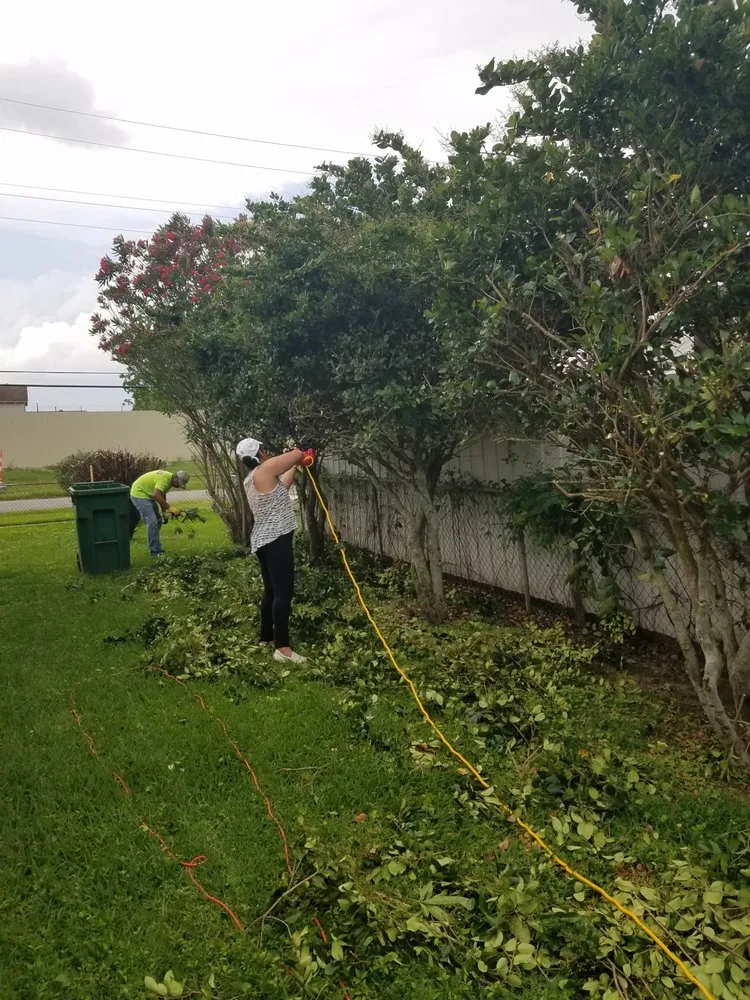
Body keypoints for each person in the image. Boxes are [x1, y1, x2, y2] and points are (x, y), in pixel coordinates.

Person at [237, 436, 314, 664]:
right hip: (276, 540)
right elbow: (296, 455)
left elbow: (284, 484)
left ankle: (266, 637)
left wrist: (297, 465)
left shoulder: (255, 477)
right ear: (260, 452)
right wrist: (302, 452)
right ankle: (283, 649)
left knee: (271, 591)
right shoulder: (265, 469)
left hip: (264, 541)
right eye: (263, 448)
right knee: (283, 593)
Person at [130, 469, 190, 556]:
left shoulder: (169, 480)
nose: (178, 486)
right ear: (175, 478)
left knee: (158, 520)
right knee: (152, 521)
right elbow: (157, 495)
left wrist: (164, 512)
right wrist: (171, 509)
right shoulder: (165, 479)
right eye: (179, 483)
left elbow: (162, 494)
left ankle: (156, 547)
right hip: (139, 494)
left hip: (147, 495)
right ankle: (155, 551)